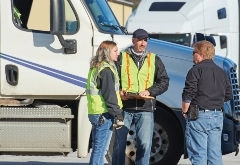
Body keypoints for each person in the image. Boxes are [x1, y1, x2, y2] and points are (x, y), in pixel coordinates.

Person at [112, 29, 169, 165]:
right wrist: (119, 91)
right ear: (133, 41)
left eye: (145, 40)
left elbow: (164, 81)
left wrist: (150, 91)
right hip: (125, 107)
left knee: (145, 144)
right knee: (119, 144)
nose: (143, 43)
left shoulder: (154, 59)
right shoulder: (121, 57)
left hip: (145, 108)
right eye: (140, 40)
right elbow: (113, 79)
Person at [181, 40, 232, 165]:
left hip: (199, 116)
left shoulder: (195, 71)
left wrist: (185, 111)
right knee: (215, 155)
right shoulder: (221, 72)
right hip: (217, 116)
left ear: (200, 54)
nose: (192, 55)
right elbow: (228, 95)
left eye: (193, 52)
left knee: (199, 154)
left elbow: (188, 94)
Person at [86, 40, 124, 165]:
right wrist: (118, 115)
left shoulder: (96, 67)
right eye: (115, 51)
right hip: (103, 113)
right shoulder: (106, 70)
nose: (118, 53)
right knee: (100, 149)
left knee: (98, 148)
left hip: (96, 112)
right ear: (107, 52)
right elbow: (110, 95)